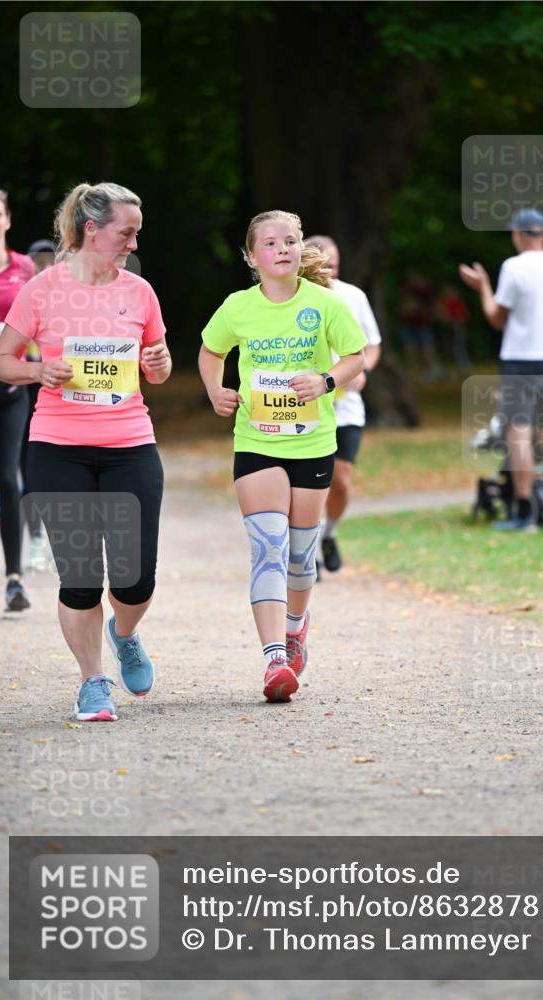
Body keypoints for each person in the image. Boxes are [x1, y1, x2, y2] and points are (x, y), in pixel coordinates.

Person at [0, 182, 172, 722]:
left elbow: (158, 366)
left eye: (137, 233)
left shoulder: (139, 292)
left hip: (130, 444)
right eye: (126, 232)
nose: (133, 243)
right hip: (58, 447)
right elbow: (2, 360)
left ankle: (125, 633)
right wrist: (38, 370)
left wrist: (159, 364)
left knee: (136, 578)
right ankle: (92, 682)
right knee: (80, 577)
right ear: (92, 229)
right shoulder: (42, 289)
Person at [198, 210, 365, 703]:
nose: (282, 249)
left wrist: (325, 381)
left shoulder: (324, 303)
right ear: (252, 256)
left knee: (300, 555)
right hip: (257, 440)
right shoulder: (238, 306)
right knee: (268, 546)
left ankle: (295, 626)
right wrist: (215, 391)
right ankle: (275, 658)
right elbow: (210, 352)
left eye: (290, 240)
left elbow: (355, 357)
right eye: (270, 243)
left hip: (312, 442)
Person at [459, 207, 543, 532]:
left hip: (520, 359)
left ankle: (524, 512)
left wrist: (483, 286)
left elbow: (497, 317)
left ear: (521, 235)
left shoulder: (514, 267)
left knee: (518, 431)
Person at [303, 234, 381, 574]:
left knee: (341, 480)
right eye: (323, 264)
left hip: (346, 405)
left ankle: (329, 533)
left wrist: (363, 371)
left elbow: (371, 345)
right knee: (309, 481)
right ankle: (309, 551)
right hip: (305, 405)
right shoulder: (293, 299)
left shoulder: (353, 296)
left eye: (334, 264)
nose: (330, 271)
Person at [0, 186, 35, 610]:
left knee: (7, 478)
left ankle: (14, 580)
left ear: (7, 220)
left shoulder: (24, 269)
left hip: (9, 390)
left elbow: (43, 320)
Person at [21, 239, 58, 570]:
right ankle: (35, 538)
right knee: (27, 468)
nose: (44, 265)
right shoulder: (22, 296)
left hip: (58, 394)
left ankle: (59, 538)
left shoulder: (67, 296)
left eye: (50, 259)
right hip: (25, 389)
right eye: (38, 260)